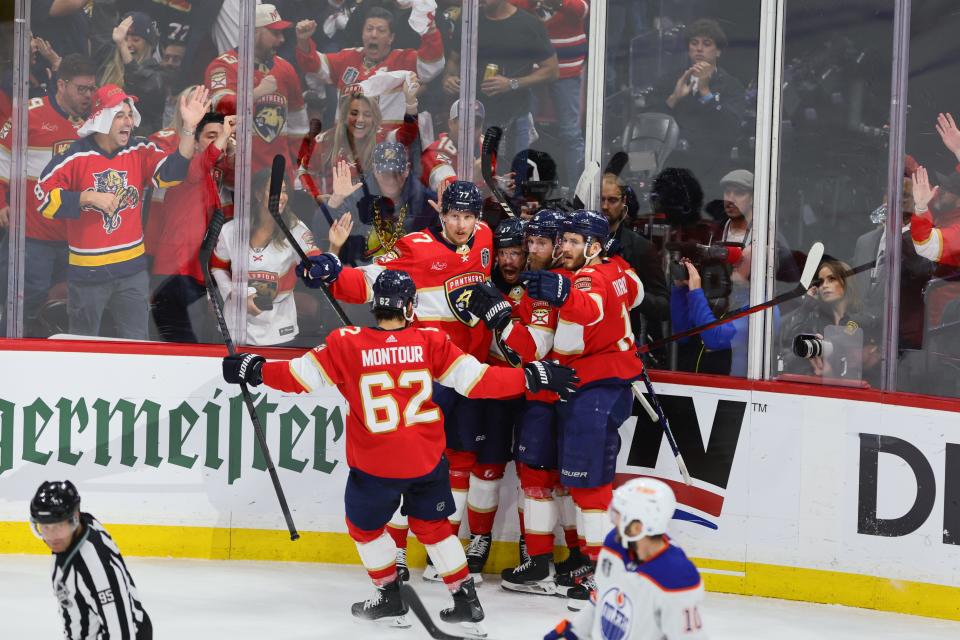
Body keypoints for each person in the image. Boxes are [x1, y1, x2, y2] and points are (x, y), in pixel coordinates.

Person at [221, 269, 579, 631]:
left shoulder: (346, 342)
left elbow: (298, 378)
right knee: (435, 528)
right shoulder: (430, 340)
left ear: (376, 305)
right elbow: (479, 382)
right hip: (426, 461)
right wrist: (530, 377)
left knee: (363, 528)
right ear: (410, 307)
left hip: (375, 466)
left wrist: (255, 369)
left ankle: (389, 594)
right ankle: (466, 602)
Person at [298, 180, 497, 572]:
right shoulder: (415, 248)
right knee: (410, 468)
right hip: (431, 375)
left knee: (459, 462)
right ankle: (400, 551)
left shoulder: (485, 237)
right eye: (453, 215)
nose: (460, 224)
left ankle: (446, 550)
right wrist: (333, 269)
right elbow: (369, 282)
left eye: (468, 216)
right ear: (440, 213)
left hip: (470, 372)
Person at [518, 209, 645, 609]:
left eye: (575, 242)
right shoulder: (616, 269)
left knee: (590, 488)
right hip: (601, 385)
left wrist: (563, 294)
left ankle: (602, 579)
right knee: (585, 484)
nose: (565, 247)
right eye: (565, 240)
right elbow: (634, 292)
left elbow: (589, 308)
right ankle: (596, 573)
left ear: (593, 246)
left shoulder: (588, 277)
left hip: (595, 388)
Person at [34, 83, 210, 340]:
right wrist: (86, 197)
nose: (128, 121)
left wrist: (189, 129)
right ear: (102, 119)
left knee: (138, 344)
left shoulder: (139, 150)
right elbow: (43, 198)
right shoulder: (75, 155)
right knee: (84, 347)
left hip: (131, 273)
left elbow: (171, 174)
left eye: (130, 115)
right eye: (120, 115)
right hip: (87, 273)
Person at [475, 209, 590, 594]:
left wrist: (500, 317)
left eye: (541, 243)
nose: (532, 249)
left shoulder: (547, 287)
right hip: (572, 393)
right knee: (563, 481)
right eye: (531, 242)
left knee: (540, 478)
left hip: (548, 394)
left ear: (558, 244)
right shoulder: (571, 278)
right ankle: (569, 561)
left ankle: (543, 562)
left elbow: (533, 350)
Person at [0, 54, 96, 337]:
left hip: (76, 238)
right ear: (62, 85)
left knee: (66, 310)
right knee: (25, 306)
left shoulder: (95, 121)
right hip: (32, 236)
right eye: (81, 89)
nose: (88, 96)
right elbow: (1, 160)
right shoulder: (28, 114)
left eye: (92, 89)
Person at [543, 478, 707, 640]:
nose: (614, 522)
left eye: (620, 517)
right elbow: (601, 599)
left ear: (638, 527)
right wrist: (573, 632)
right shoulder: (614, 544)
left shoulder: (677, 576)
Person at [151, 111, 237, 343]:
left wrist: (232, 151)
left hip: (195, 272)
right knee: (181, 346)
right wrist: (224, 139)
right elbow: (205, 162)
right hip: (174, 273)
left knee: (195, 343)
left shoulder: (213, 172)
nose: (220, 140)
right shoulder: (186, 167)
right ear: (196, 144)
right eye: (211, 136)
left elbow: (240, 173)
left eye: (223, 135)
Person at [30, 480, 152, 639]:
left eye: (58, 526)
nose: (52, 537)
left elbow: (121, 633)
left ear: (74, 519)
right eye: (45, 527)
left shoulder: (96, 568)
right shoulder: (82, 526)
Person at [211, 166, 319, 346]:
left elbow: (316, 265)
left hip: (280, 329)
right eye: (274, 191)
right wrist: (235, 294)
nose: (281, 197)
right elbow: (218, 267)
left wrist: (334, 247)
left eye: (284, 191)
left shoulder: (297, 230)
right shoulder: (231, 230)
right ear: (258, 194)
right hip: (236, 327)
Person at [444, 0, 559, 162]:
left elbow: (552, 70)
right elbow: (454, 60)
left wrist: (512, 83)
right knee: (477, 179)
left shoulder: (528, 24)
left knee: (514, 178)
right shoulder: (470, 20)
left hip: (515, 116)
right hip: (476, 119)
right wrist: (449, 78)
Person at [295, 7, 445, 129]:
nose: (373, 34)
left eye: (380, 30)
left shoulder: (404, 60)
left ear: (391, 37)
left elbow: (430, 67)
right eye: (369, 29)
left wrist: (430, 32)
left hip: (385, 154)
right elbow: (313, 65)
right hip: (346, 149)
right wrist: (303, 41)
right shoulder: (346, 58)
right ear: (362, 34)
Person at [205, 4, 309, 173]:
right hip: (237, 179)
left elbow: (299, 128)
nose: (281, 39)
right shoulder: (222, 66)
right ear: (253, 32)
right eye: (275, 33)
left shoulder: (285, 68)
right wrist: (258, 93)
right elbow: (222, 108)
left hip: (279, 178)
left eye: (281, 33)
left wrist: (300, 171)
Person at [647, 19, 746, 195]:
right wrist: (673, 98)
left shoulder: (732, 85)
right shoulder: (670, 80)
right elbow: (648, 127)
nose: (699, 49)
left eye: (706, 44)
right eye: (694, 43)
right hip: (674, 171)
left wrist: (705, 92)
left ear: (718, 51)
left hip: (712, 174)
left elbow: (731, 129)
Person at [320, 142, 437, 265]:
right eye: (385, 173)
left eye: (397, 172)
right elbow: (322, 233)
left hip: (414, 276)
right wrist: (335, 201)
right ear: (375, 170)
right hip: (366, 276)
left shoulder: (428, 203)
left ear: (407, 169)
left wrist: (446, 218)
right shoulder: (358, 197)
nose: (391, 179)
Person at [513, 0, 588, 186]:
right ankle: (517, 191)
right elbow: (509, 9)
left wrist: (558, 2)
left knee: (570, 133)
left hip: (566, 66)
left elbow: (582, 10)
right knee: (522, 129)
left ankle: (578, 192)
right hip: (532, 66)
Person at [600, 173, 670, 342]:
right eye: (601, 199)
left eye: (612, 200)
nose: (604, 206)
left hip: (623, 341)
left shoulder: (640, 247)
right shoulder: (578, 240)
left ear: (624, 201)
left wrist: (634, 294)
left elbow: (663, 307)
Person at [299, 92, 385, 202]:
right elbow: (304, 173)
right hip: (334, 212)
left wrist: (410, 105)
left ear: (374, 118)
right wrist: (317, 196)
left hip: (371, 213)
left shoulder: (383, 141)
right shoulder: (324, 141)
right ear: (345, 116)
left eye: (367, 114)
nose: (360, 120)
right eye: (354, 113)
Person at [99, 13, 167, 134]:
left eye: (136, 40)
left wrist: (122, 45)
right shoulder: (107, 67)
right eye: (125, 39)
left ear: (148, 44)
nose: (128, 44)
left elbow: (140, 81)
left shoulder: (157, 75)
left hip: (141, 143)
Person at [421, 99, 486, 200]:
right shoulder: (434, 153)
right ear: (451, 124)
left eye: (476, 124)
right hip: (440, 213)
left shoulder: (486, 147)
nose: (471, 130)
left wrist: (502, 186)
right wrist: (472, 177)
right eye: (465, 123)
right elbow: (451, 196)